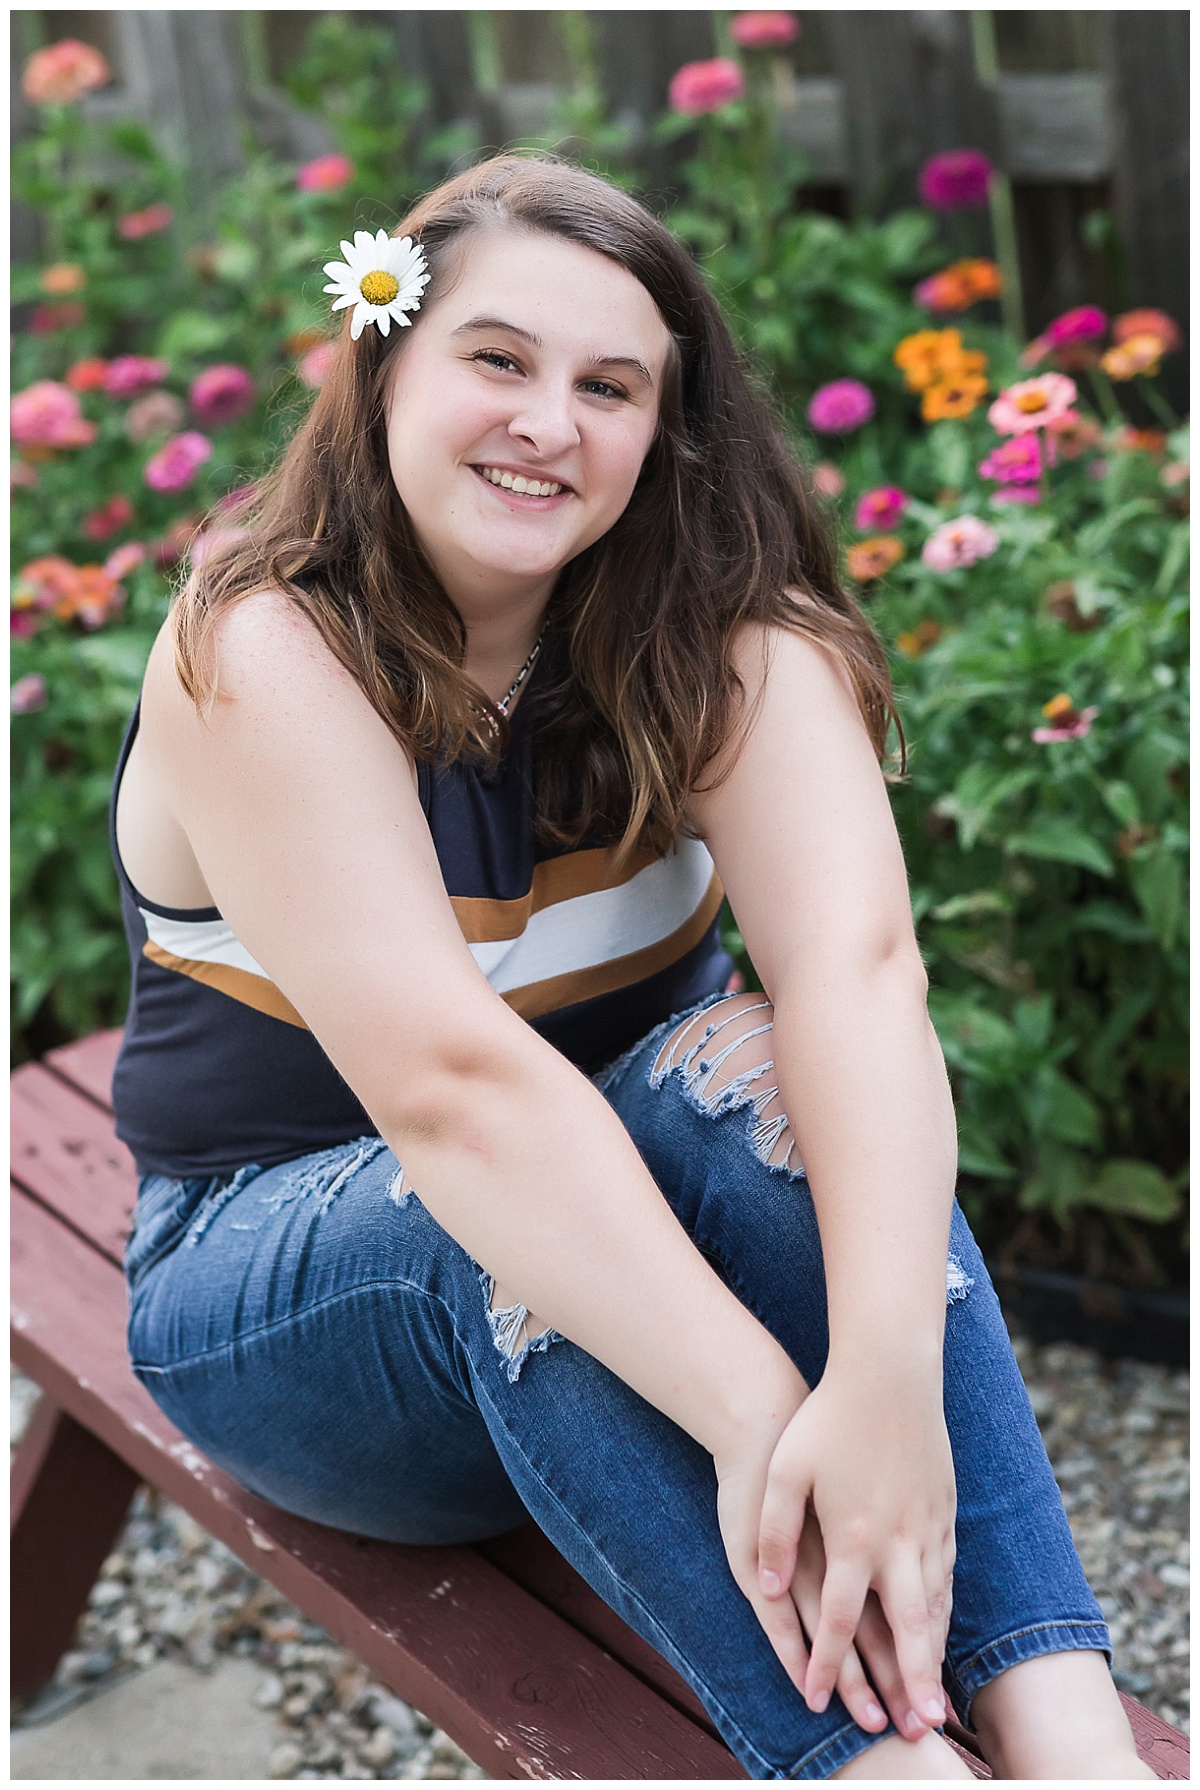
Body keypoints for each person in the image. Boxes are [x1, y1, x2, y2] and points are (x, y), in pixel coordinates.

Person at [112, 154, 1151, 1780]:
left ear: (662, 432)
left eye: (610, 386)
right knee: (504, 1210)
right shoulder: (261, 645)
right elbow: (462, 1107)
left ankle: (1073, 1732)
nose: (550, 423)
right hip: (288, 1286)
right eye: (498, 359)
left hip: (623, 1224)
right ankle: (885, 1767)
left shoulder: (722, 632)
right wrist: (771, 1420)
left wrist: (880, 1388)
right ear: (389, 355)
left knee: (753, 1060)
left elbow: (862, 979)